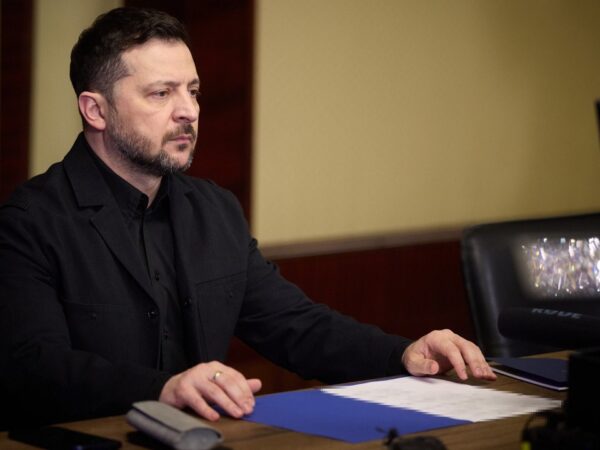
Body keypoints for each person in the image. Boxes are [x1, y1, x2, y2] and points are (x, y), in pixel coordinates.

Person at [0, 7, 495, 428]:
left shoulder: (214, 210)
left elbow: (296, 326)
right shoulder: (29, 221)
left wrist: (401, 354)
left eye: (193, 91)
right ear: (95, 110)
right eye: (161, 93)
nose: (188, 111)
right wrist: (163, 389)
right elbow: (34, 369)